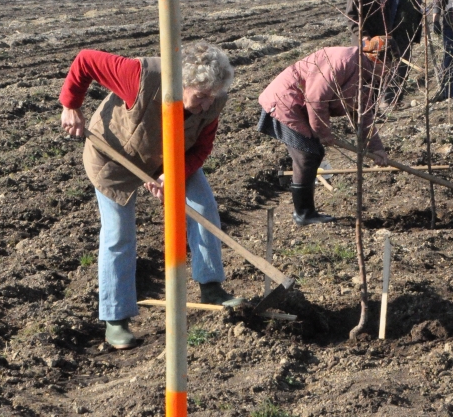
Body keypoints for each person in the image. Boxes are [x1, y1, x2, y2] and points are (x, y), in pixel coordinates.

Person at [59, 42, 242, 350]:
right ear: (181, 83)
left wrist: (174, 174)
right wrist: (71, 105)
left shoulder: (214, 99)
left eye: (213, 96)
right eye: (201, 96)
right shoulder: (141, 75)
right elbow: (85, 61)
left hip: (171, 158)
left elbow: (202, 147)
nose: (208, 105)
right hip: (114, 158)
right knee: (119, 233)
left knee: (203, 205)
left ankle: (212, 287)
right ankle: (116, 319)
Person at [256, 46, 390, 225]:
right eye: (389, 65)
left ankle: (305, 213)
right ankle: (303, 214)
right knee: (307, 156)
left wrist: (376, 148)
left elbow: (362, 113)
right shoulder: (346, 61)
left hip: (302, 106)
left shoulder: (367, 74)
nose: (388, 71)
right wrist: (323, 133)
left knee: (312, 154)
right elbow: (316, 99)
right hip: (286, 100)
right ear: (379, 60)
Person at [383, 0, 424, 104]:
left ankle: (397, 100)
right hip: (392, 36)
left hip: (407, 37)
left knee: (403, 69)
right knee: (391, 69)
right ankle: (387, 101)